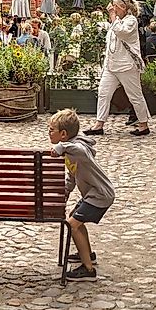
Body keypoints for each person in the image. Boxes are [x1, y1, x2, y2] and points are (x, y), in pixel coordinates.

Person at [48, 108, 115, 280]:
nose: (49, 133)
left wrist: (60, 147)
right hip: (93, 194)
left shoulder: (76, 148)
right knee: (74, 217)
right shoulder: (70, 152)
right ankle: (87, 254)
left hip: (100, 195)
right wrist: (66, 192)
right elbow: (72, 174)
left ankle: (88, 270)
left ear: (63, 134)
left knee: (72, 224)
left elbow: (79, 150)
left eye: (51, 130)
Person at [84, 0, 150, 136]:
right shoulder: (115, 22)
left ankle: (143, 125)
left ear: (123, 7)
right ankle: (99, 124)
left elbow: (121, 32)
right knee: (103, 93)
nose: (113, 9)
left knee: (135, 95)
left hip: (127, 66)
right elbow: (110, 45)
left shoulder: (131, 21)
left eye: (115, 7)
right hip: (111, 66)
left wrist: (113, 16)